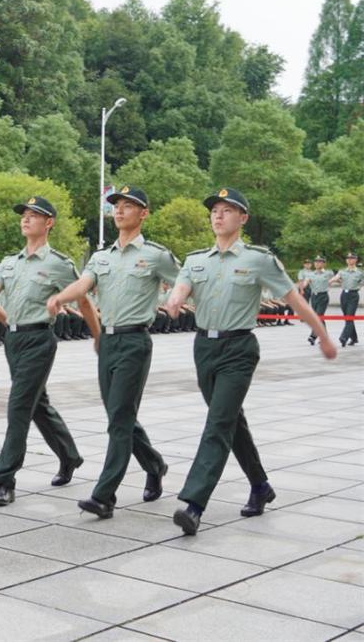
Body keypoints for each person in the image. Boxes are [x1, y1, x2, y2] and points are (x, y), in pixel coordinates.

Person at [165, 188, 337, 535]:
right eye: (214, 210)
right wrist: (173, 302)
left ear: (242, 218)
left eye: (227, 210)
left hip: (239, 349)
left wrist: (323, 334)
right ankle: (260, 487)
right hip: (204, 348)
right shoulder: (196, 259)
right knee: (230, 421)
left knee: (217, 423)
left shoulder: (259, 260)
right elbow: (180, 290)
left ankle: (194, 504)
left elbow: (295, 300)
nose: (218, 215)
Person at [0, 196, 100, 505]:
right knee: (37, 404)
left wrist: (97, 335)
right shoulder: (10, 262)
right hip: (13, 339)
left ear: (48, 223)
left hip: (39, 339)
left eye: (33, 215)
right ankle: (70, 455)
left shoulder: (58, 264)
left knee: (19, 405)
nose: (25, 219)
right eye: (23, 214)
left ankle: (4, 480)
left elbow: (83, 300)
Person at [47, 185, 178, 520]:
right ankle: (154, 464)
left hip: (135, 341)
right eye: (116, 205)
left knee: (119, 419)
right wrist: (62, 297)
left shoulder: (156, 255)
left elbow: (185, 284)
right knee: (120, 416)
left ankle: (104, 495)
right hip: (107, 342)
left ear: (143, 213)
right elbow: (85, 285)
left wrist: (182, 301)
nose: (119, 211)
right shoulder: (100, 256)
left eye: (127, 206)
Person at [328, 252, 361, 347]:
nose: (349, 260)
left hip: (353, 295)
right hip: (344, 295)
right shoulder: (342, 271)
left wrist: (359, 286)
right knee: (347, 317)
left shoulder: (359, 272)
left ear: (355, 260)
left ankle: (344, 337)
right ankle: (354, 338)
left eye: (352, 258)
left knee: (349, 316)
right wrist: (330, 281)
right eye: (348, 258)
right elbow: (336, 277)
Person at [305, 255, 334, 345]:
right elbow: (306, 282)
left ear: (324, 263)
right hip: (314, 297)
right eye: (316, 262)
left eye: (320, 262)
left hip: (323, 296)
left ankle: (313, 336)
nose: (317, 263)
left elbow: (337, 279)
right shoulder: (310, 274)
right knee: (318, 318)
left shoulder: (328, 273)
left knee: (318, 316)